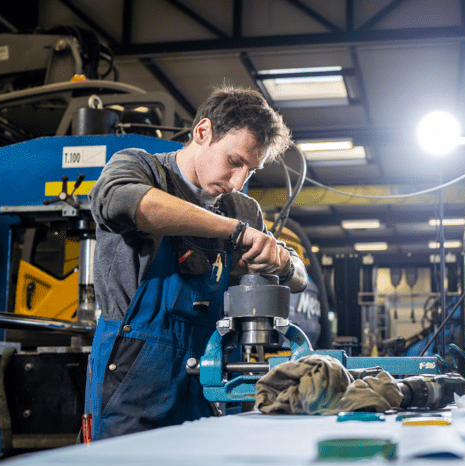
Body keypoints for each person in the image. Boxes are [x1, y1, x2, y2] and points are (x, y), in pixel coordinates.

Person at [85, 86, 307, 440]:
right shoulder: (142, 167)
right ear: (202, 132)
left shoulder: (243, 208)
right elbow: (122, 201)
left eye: (250, 171)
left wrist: (282, 263)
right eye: (235, 162)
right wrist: (235, 233)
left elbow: (299, 278)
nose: (238, 182)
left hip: (208, 375)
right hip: (133, 377)